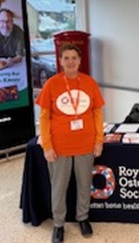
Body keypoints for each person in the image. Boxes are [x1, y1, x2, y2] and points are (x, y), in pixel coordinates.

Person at [36, 44, 105, 243]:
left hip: (85, 144)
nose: (70, 61)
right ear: (60, 61)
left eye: (74, 57)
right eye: (66, 58)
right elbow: (44, 117)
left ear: (80, 60)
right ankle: (59, 224)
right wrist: (47, 146)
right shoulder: (51, 84)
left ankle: (82, 218)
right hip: (59, 146)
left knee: (85, 184)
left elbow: (97, 113)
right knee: (58, 186)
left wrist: (98, 140)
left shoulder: (90, 83)